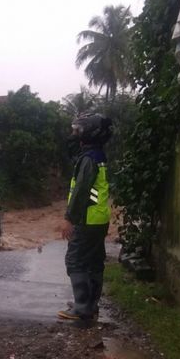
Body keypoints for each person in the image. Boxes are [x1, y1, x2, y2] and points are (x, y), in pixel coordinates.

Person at [58, 113, 113, 327]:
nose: (74, 134)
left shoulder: (89, 159)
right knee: (94, 262)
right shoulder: (98, 156)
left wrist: (69, 219)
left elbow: (81, 190)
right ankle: (90, 306)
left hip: (86, 219)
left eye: (78, 130)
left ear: (89, 132)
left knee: (76, 261)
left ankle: (82, 308)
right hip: (99, 218)